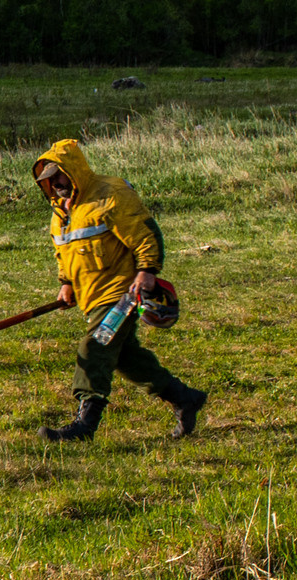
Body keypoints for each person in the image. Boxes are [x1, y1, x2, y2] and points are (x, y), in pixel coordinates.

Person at [31, 139, 206, 442]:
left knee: (95, 348)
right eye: (49, 179)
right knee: (126, 358)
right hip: (92, 297)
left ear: (74, 170)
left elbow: (144, 233)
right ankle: (185, 398)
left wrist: (147, 270)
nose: (56, 183)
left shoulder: (110, 194)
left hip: (123, 295)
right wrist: (66, 283)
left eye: (59, 175)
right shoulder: (60, 213)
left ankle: (84, 427)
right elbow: (64, 252)